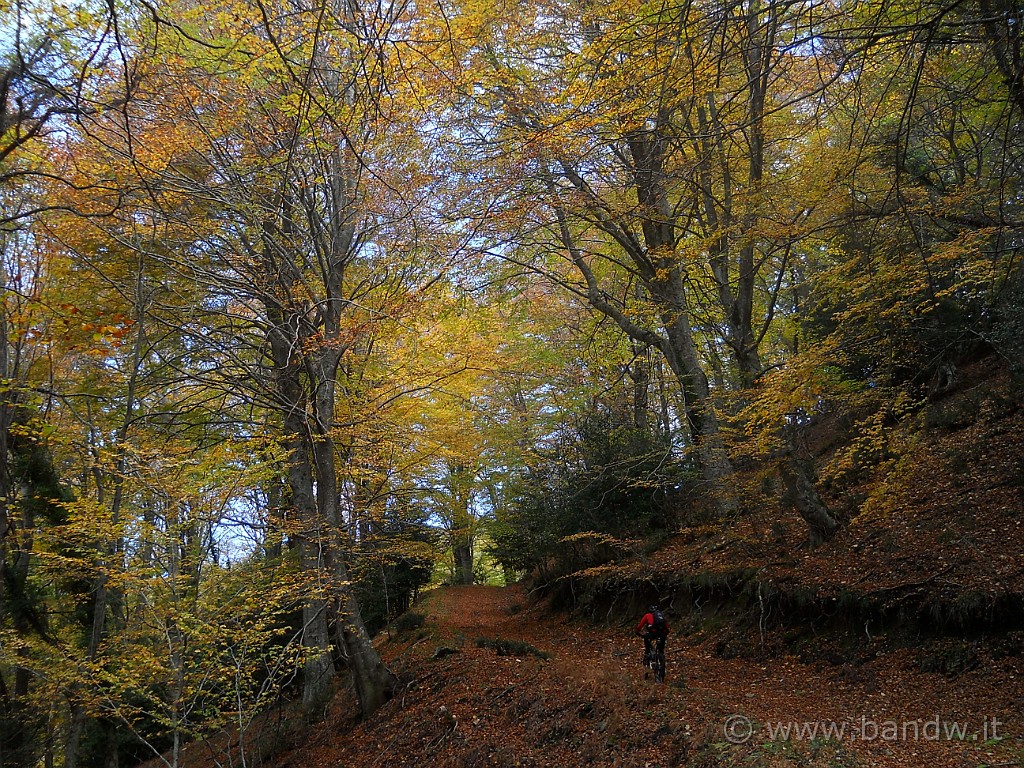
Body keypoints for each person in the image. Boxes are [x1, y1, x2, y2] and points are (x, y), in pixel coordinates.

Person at [635, 604, 669, 671]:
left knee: (646, 639)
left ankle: (648, 653)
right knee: (661, 650)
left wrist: (637, 631)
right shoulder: (661, 616)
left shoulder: (647, 615)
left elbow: (640, 625)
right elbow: (666, 626)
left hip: (652, 633)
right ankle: (661, 658)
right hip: (662, 634)